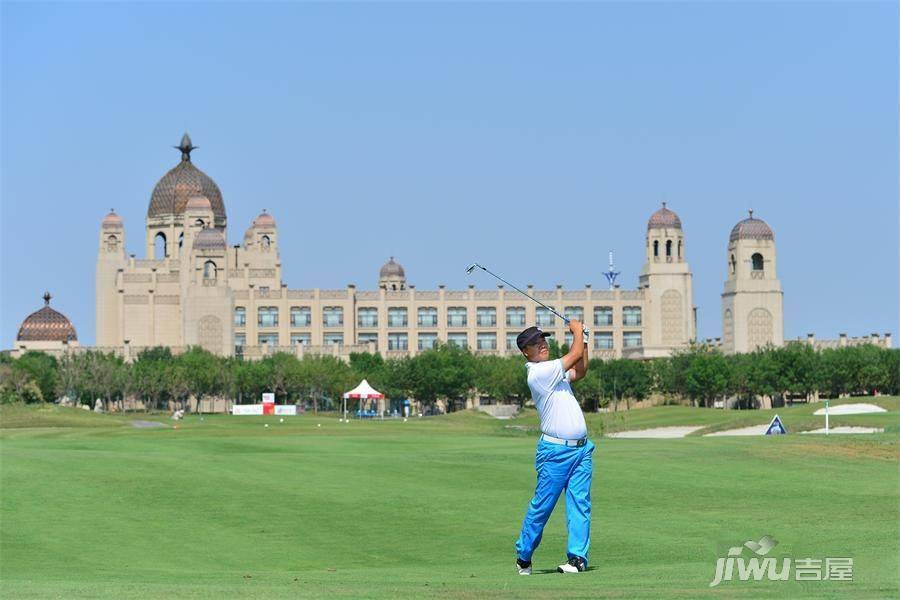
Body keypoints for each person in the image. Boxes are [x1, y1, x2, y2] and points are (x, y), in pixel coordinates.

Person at [514, 319, 593, 575]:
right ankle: (524, 555)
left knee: (580, 503)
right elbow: (574, 354)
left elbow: (579, 370)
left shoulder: (553, 371)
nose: (543, 344)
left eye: (543, 340)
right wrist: (579, 332)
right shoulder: (538, 373)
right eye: (536, 343)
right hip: (555, 453)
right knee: (543, 506)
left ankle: (577, 558)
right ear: (526, 351)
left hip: (581, 450)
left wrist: (585, 339)